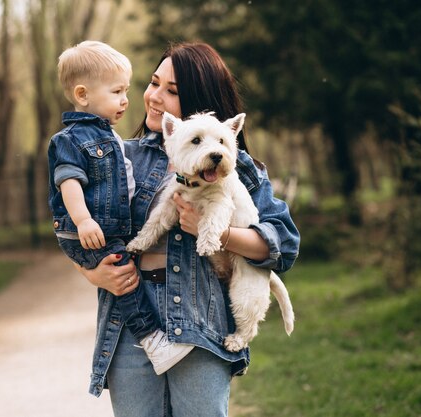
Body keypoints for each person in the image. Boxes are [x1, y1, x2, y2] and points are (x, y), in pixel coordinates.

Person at [76, 42, 300, 417]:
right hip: (132, 319)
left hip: (201, 323)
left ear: (200, 102)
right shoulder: (120, 156)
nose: (154, 97)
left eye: (172, 91)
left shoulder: (238, 168)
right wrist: (92, 272)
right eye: (153, 83)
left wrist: (219, 233)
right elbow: (79, 226)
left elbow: (284, 245)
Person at [47, 41, 194, 375]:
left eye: (126, 90)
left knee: (123, 269)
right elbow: (68, 182)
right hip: (91, 227)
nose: (127, 100)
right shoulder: (72, 139)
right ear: (83, 95)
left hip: (104, 227)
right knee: (125, 276)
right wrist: (84, 228)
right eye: (116, 92)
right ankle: (151, 338)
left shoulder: (109, 136)